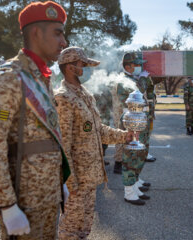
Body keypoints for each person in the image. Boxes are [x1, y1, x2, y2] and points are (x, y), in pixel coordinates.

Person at [0, 2, 70, 239]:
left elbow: (44, 137)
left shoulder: (39, 78)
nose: (64, 42)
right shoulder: (11, 77)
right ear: (36, 33)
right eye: (57, 33)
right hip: (24, 202)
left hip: (46, 197)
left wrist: (60, 183)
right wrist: (6, 205)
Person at [55, 46, 135, 240]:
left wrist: (125, 135)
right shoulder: (63, 97)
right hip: (76, 179)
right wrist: (69, 181)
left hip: (90, 176)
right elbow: (62, 144)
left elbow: (98, 130)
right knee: (70, 229)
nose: (87, 69)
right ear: (70, 67)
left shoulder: (85, 94)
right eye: (84, 65)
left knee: (84, 226)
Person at [112, 52, 151, 205]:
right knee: (131, 158)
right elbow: (135, 98)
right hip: (131, 124)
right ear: (128, 66)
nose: (139, 67)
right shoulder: (123, 81)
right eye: (136, 64)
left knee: (138, 155)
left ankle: (134, 185)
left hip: (138, 122)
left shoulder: (132, 79)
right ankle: (129, 192)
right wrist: (142, 79)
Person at [94, 84, 113, 165]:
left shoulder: (107, 90)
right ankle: (96, 159)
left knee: (104, 140)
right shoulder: (90, 88)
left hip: (105, 118)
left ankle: (102, 158)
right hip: (95, 118)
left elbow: (111, 102)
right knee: (95, 140)